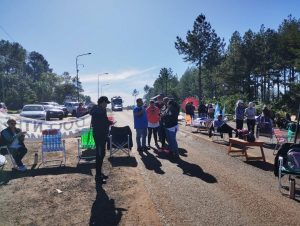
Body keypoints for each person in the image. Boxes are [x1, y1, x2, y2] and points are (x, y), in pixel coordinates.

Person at [90, 96, 113, 183]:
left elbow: (104, 121)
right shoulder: (97, 110)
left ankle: (100, 173)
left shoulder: (101, 110)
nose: (106, 104)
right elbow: (100, 122)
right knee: (99, 156)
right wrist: (109, 122)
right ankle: (98, 176)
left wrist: (109, 122)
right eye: (106, 103)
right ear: (102, 102)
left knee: (102, 154)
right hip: (99, 135)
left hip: (102, 135)